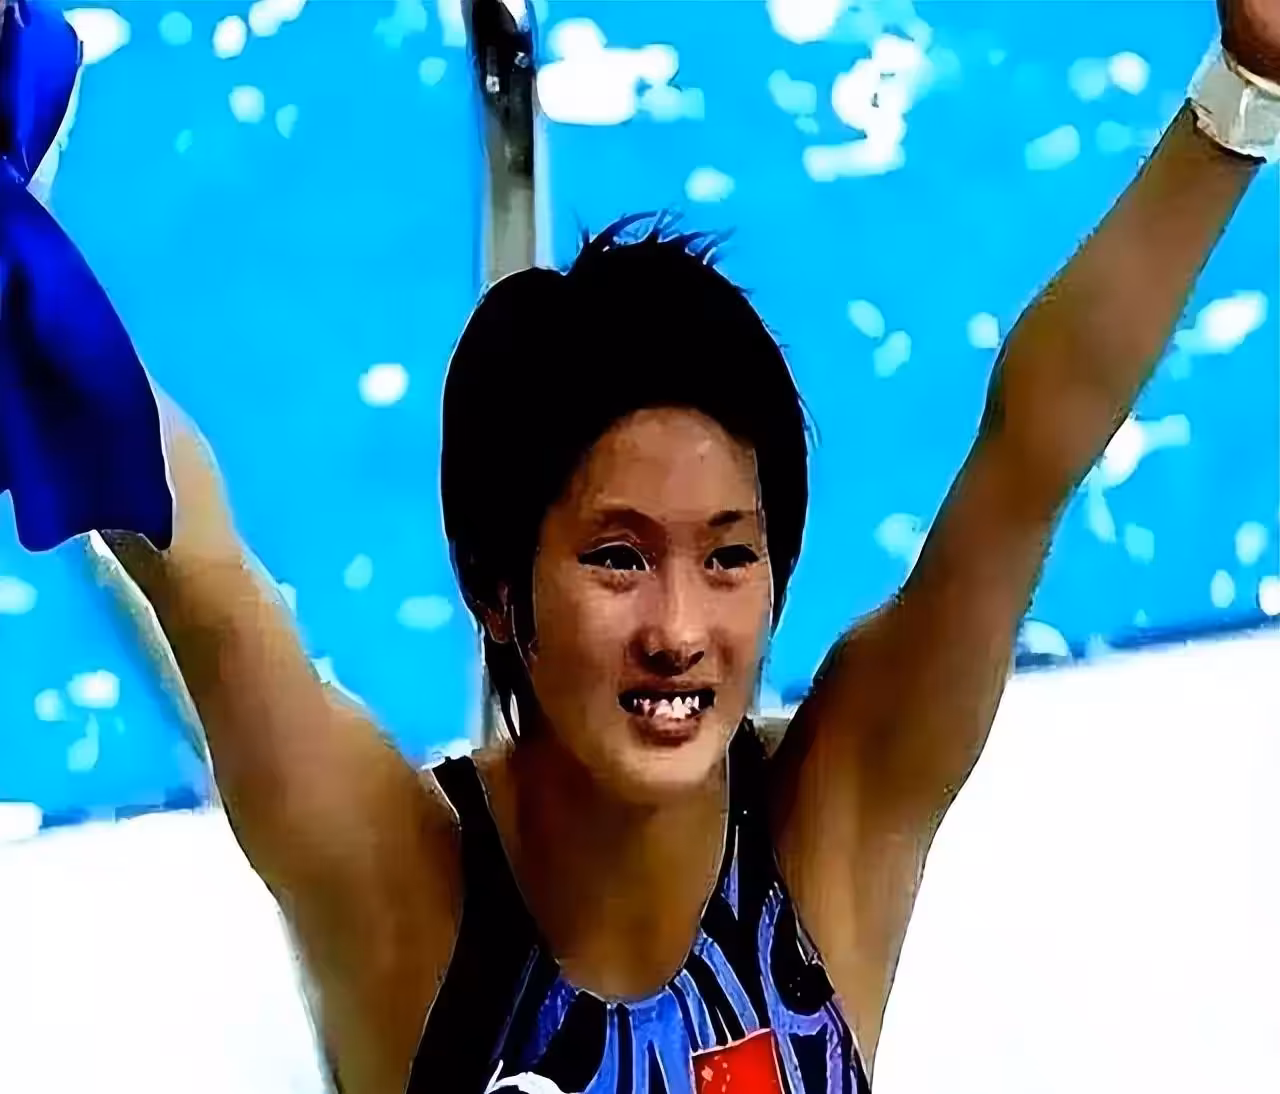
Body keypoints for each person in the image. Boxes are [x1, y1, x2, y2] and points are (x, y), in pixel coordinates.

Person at [90, 3, 1279, 1092]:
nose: (678, 630)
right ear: (494, 587)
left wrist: (1246, 87)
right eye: (617, 557)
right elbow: (202, 577)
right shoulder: (407, 894)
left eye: (727, 557)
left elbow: (1028, 459)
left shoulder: (833, 819)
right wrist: (29, 285)